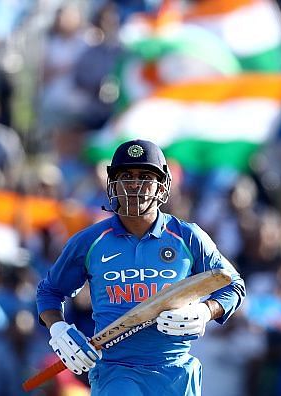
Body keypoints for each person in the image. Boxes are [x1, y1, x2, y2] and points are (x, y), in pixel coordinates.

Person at [35, 139, 246, 395]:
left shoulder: (188, 237)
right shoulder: (90, 241)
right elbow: (49, 292)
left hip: (176, 372)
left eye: (146, 176)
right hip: (116, 371)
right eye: (126, 176)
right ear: (113, 184)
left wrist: (205, 311)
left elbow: (233, 284)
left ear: (163, 185)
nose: (135, 185)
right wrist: (58, 329)